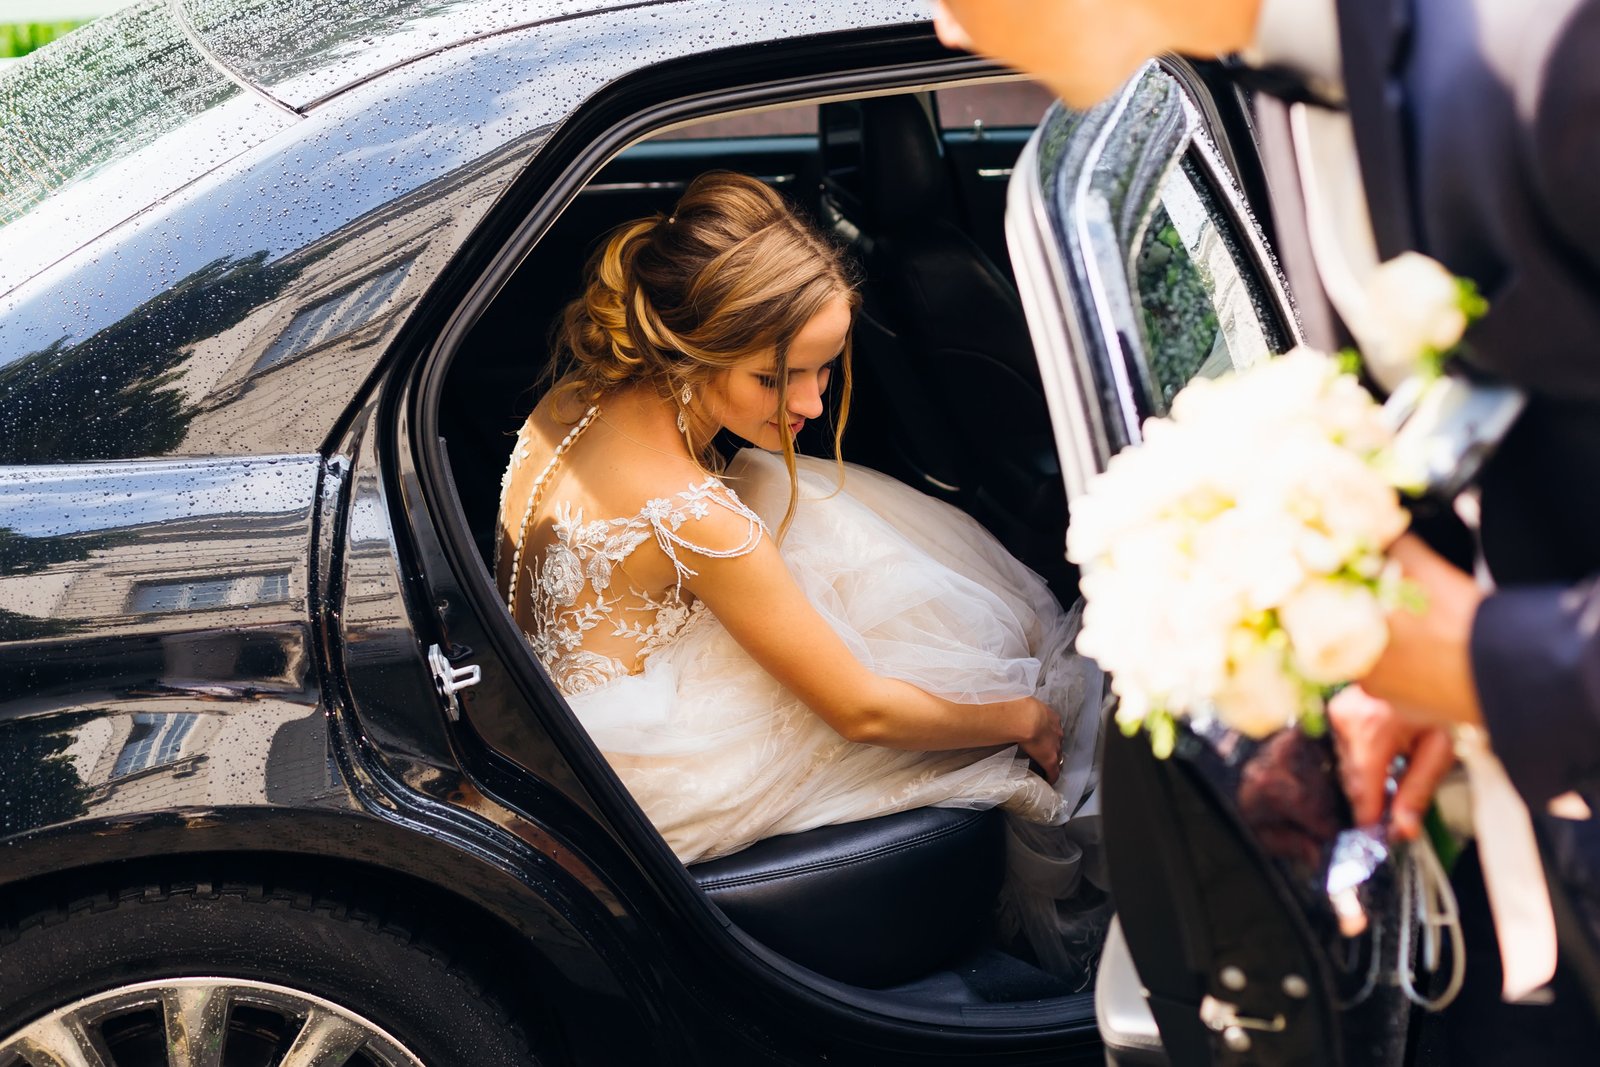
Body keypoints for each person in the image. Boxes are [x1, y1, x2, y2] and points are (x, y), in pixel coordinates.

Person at [931, 0, 1600, 1055]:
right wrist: (1413, 666)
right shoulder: (1278, 93)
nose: (947, 29)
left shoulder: (1555, 60)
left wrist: (1484, 659)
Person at [495, 170, 1106, 978]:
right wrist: (1019, 718)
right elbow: (861, 711)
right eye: (775, 377)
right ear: (695, 343)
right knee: (911, 622)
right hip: (641, 777)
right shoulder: (694, 512)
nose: (812, 404)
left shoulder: (577, 398)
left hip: (542, 708)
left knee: (795, 497)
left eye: (823, 369)